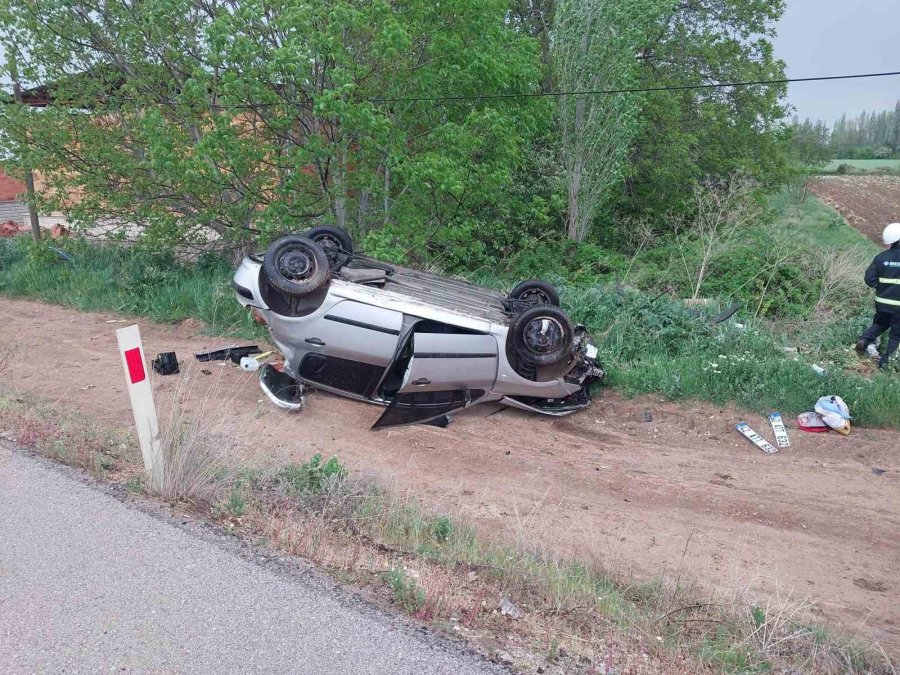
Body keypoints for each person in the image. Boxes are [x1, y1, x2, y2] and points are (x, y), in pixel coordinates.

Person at [856, 222, 900, 369]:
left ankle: (864, 340)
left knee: (880, 324)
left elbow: (869, 278)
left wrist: (882, 287)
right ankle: (885, 362)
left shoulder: (881, 257)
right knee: (895, 335)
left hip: (882, 303)